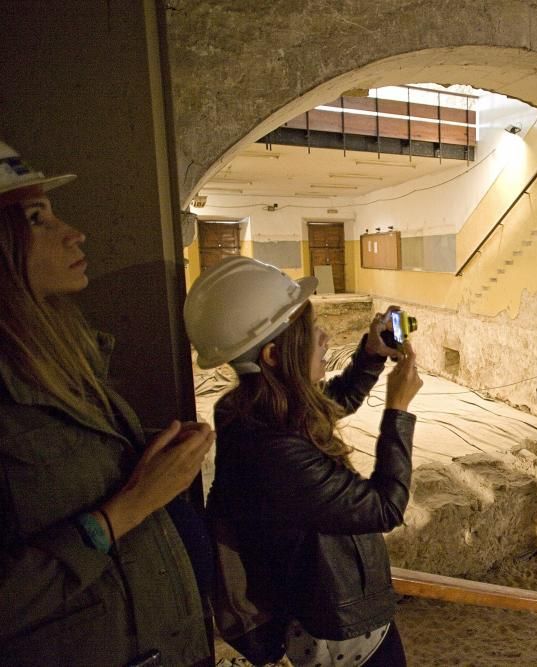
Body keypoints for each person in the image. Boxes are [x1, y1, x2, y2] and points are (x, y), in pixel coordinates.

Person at [0, 141, 216, 665]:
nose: (75, 232)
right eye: (37, 219)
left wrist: (142, 458)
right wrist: (134, 502)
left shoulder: (64, 355)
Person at [183, 256, 423, 667]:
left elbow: (327, 405)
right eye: (310, 331)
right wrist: (397, 411)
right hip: (343, 634)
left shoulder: (250, 408)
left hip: (322, 615)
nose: (325, 337)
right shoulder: (273, 451)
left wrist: (370, 355)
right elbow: (385, 506)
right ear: (274, 355)